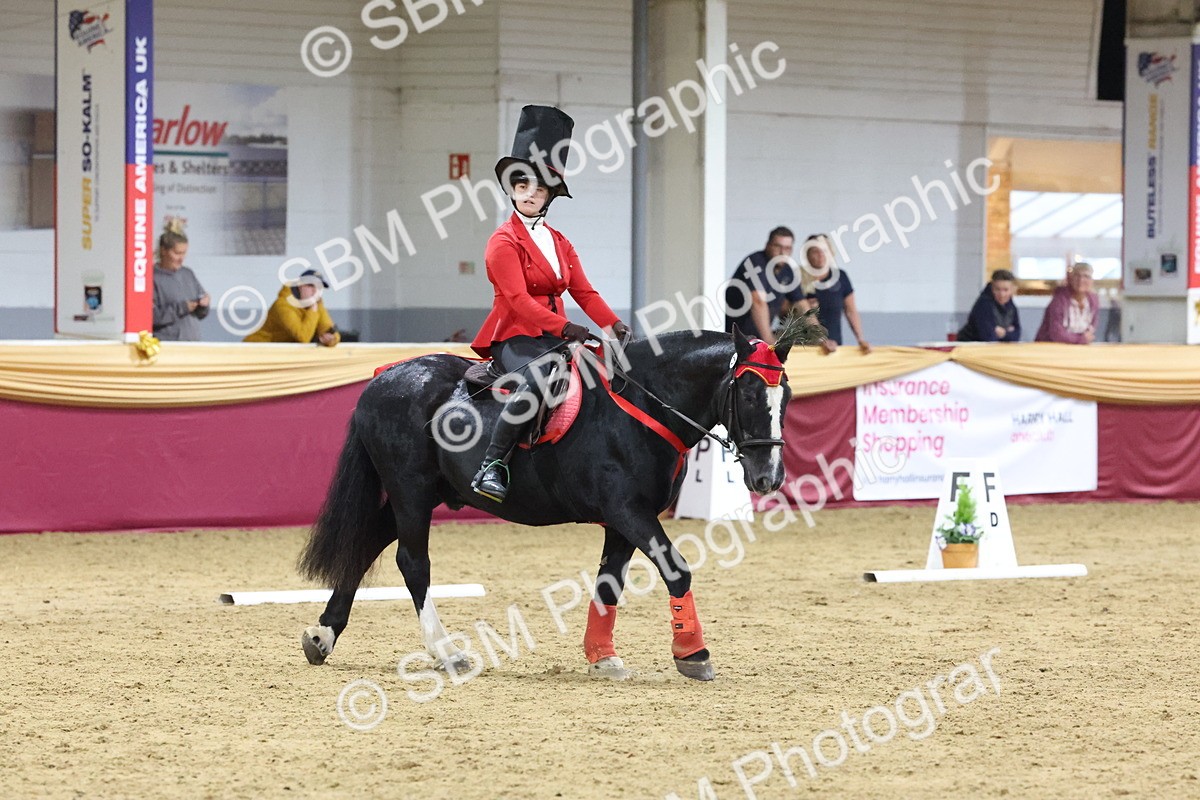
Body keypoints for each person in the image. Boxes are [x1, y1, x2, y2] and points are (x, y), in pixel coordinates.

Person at [469, 105, 631, 503]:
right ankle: (492, 465)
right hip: (514, 335)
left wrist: (615, 326)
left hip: (554, 335)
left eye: (538, 188)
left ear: (549, 195)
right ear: (512, 188)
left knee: (608, 374)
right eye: (522, 186)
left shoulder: (560, 242)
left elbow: (585, 292)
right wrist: (566, 328)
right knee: (540, 380)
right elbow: (518, 301)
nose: (529, 194)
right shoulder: (502, 241)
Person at [724, 227, 805, 345]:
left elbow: (802, 303)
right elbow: (758, 302)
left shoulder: (788, 270)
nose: (782, 252)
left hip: (758, 339)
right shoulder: (755, 262)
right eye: (777, 246)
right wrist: (770, 341)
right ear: (768, 245)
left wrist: (820, 338)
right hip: (734, 340)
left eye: (787, 248)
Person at [799, 234, 871, 354]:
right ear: (807, 255)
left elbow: (851, 311)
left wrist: (860, 339)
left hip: (834, 347)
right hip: (804, 349)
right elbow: (785, 311)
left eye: (824, 250)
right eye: (815, 251)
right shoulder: (797, 279)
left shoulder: (840, 277)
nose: (821, 255)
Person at [243, 269, 340, 346]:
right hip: (255, 348)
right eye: (310, 285)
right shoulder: (282, 305)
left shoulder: (317, 305)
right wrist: (313, 311)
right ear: (300, 286)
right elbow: (303, 337)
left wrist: (331, 339)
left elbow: (330, 330)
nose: (315, 291)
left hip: (278, 352)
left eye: (319, 287)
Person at [152, 218, 209, 341]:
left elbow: (201, 314)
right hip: (168, 345)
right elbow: (150, 317)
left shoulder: (188, 274)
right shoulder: (151, 277)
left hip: (192, 344)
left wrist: (203, 305)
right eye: (177, 253)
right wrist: (181, 308)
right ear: (163, 251)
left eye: (184, 253)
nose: (181, 258)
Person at [1035, 262, 1100, 344]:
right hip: (1051, 347)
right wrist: (1080, 340)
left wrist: (1084, 339)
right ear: (1071, 279)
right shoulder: (1059, 300)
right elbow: (1056, 333)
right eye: (1077, 276)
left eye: (1086, 276)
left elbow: (1091, 327)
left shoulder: (1093, 300)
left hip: (1078, 348)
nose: (1081, 280)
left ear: (1092, 281)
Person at [957, 269, 1020, 342]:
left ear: (1012, 290)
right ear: (992, 288)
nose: (1002, 294)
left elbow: (1017, 334)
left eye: (1005, 290)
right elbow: (988, 336)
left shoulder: (1011, 306)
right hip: (969, 346)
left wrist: (1004, 334)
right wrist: (1008, 333)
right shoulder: (983, 304)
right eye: (998, 289)